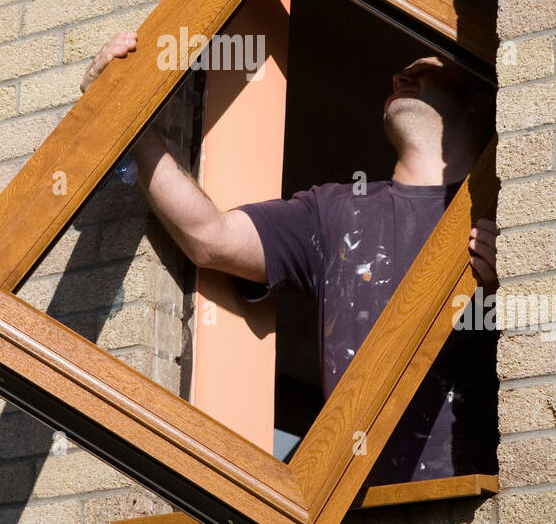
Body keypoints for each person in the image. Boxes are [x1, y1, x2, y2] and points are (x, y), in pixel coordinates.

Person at [81, 31, 499, 479]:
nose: (400, 76)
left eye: (424, 69)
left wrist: (506, 293)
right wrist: (125, 116)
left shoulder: (510, 209)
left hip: (470, 505)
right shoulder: (335, 209)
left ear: (477, 97)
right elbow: (209, 235)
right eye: (400, 73)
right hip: (347, 509)